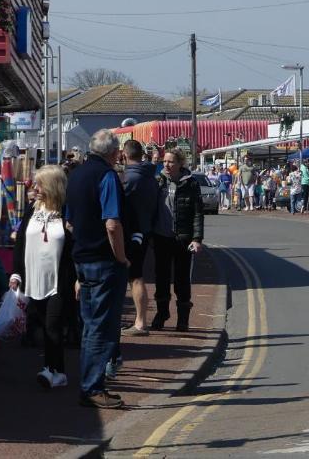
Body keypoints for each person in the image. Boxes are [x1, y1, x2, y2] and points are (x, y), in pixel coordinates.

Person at [66, 129, 129, 409]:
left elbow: (69, 223)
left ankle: (90, 384)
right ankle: (92, 387)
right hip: (104, 261)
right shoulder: (107, 177)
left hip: (82, 259)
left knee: (90, 326)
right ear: (114, 153)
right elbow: (112, 223)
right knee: (101, 328)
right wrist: (122, 258)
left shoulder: (75, 175)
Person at [10, 165, 75, 389]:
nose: (34, 188)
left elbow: (75, 248)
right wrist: (16, 272)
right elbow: (20, 242)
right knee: (43, 325)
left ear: (51, 186)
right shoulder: (32, 209)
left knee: (53, 325)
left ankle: (53, 370)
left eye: (39, 184)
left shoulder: (67, 211)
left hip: (58, 280)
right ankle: (57, 372)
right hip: (33, 278)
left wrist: (79, 278)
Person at [150, 148, 204, 332]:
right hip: (161, 236)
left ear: (180, 164)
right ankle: (162, 313)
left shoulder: (191, 184)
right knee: (161, 278)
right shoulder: (158, 181)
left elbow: (197, 213)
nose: (166, 165)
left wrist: (197, 239)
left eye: (171, 162)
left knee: (182, 280)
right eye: (164, 161)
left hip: (183, 239)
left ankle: (183, 319)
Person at [121, 140, 157, 335]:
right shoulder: (150, 174)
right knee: (136, 276)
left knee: (134, 277)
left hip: (132, 232)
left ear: (124, 155)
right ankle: (140, 320)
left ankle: (141, 323)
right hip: (146, 229)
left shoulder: (129, 178)